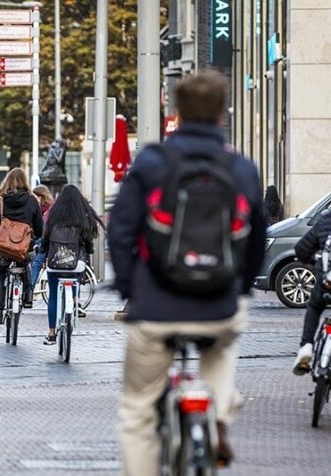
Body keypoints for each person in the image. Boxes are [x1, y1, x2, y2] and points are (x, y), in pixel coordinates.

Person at [108, 71, 266, 476]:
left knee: (138, 412)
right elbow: (255, 241)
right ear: (222, 115)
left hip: (155, 306)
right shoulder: (242, 168)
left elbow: (121, 231)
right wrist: (240, 290)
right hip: (218, 305)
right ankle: (217, 420)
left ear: (176, 112)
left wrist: (132, 289)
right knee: (224, 343)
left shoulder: (152, 162)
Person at [40, 185, 102, 344]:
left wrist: (42, 250)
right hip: (75, 264)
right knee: (76, 276)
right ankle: (74, 299)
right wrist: (89, 250)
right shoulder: (81, 218)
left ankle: (51, 332)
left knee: (53, 295)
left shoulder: (53, 215)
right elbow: (88, 241)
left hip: (54, 263)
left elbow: (45, 238)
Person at [0, 168, 43, 324]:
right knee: (25, 263)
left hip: (4, 248)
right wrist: (35, 237)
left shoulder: (1, 201)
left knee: (1, 271)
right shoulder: (32, 200)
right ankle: (28, 296)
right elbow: (39, 229)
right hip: (23, 248)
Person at [292, 210, 331, 374]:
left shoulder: (326, 219)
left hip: (327, 283)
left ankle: (306, 346)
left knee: (315, 306)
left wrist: (312, 262)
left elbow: (301, 249)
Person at [29, 185, 54, 293]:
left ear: (41, 196)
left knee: (36, 263)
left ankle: (29, 290)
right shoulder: (50, 206)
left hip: (46, 239)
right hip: (48, 238)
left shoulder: (44, 208)